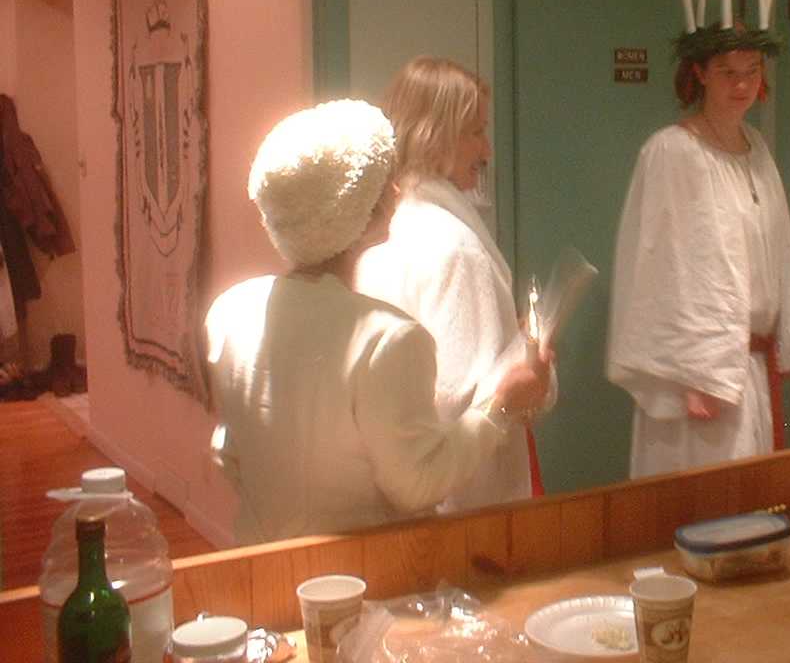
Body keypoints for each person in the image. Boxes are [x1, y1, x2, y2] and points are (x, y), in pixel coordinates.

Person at [205, 99, 550, 544]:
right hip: (354, 570)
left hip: (255, 557)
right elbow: (418, 484)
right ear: (361, 209)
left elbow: (228, 453)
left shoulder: (231, 310)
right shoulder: (387, 339)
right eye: (385, 181)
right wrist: (500, 404)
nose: (397, 189)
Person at [606, 0, 790, 479]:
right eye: (727, 72)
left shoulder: (756, 148)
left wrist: (783, 333)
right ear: (699, 73)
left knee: (753, 498)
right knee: (706, 503)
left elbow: (775, 250)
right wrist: (694, 371)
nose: (741, 85)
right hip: (698, 382)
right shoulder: (672, 151)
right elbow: (664, 266)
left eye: (751, 71)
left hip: (752, 365)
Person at [355, 57, 555, 512]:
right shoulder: (454, 248)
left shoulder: (387, 229)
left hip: (397, 478)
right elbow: (462, 396)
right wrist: (529, 368)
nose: (487, 150)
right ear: (436, 135)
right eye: (476, 132)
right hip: (465, 495)